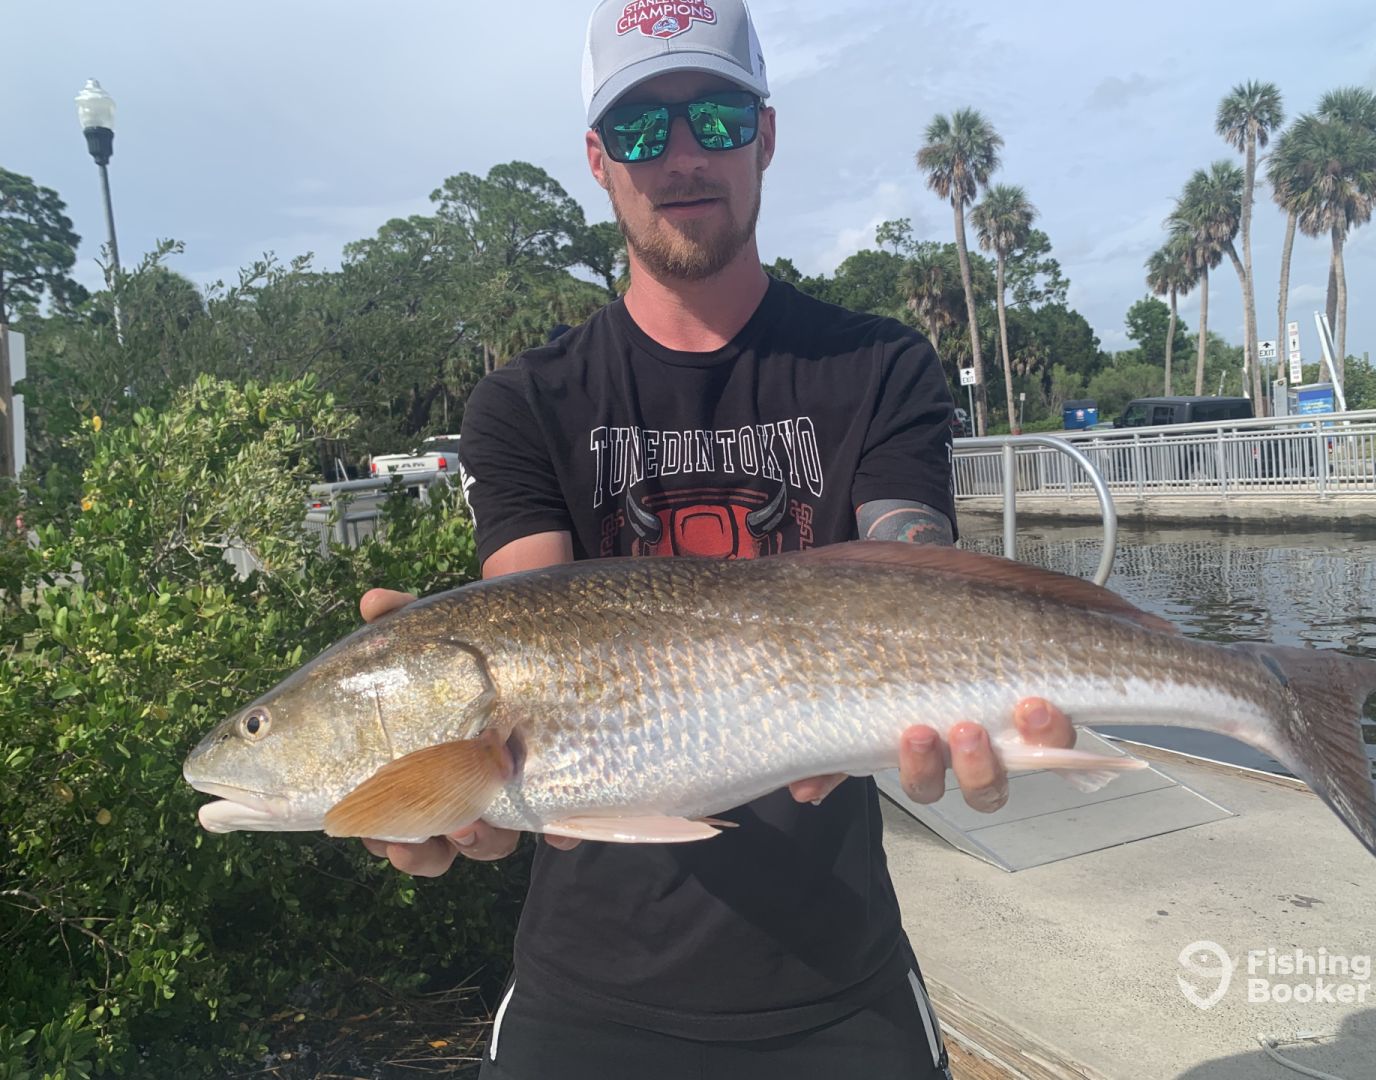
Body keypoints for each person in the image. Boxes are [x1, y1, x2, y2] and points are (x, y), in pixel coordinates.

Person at [359, 2, 1077, 1076]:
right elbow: (524, 628)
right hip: (584, 994)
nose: (682, 154)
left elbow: (915, 575)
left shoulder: (879, 368)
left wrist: (982, 695)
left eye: (718, 117)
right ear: (599, 159)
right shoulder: (523, 404)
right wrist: (454, 791)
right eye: (642, 128)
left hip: (841, 988)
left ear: (766, 136)